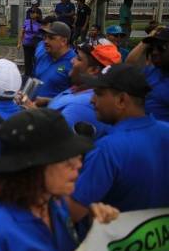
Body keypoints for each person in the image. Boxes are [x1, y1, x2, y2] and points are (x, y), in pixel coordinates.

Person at [0, 108, 118, 251]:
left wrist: (93, 223)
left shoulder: (55, 204)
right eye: (65, 159)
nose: (78, 164)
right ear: (32, 169)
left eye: (76, 156)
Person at [67, 64, 169, 222]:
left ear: (121, 100)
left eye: (99, 94)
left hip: (114, 244)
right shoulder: (165, 131)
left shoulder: (108, 149)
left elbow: (72, 212)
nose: (92, 100)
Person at [45, 42, 121, 140]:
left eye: (79, 59)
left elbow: (48, 142)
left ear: (94, 70)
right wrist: (47, 102)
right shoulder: (82, 87)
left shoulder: (81, 107)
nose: (72, 60)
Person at [125, 27, 169, 122]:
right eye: (151, 48)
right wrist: (149, 38)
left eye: (161, 48)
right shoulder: (152, 71)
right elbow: (130, 65)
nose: (154, 52)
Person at [33, 21, 76, 101]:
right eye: (45, 37)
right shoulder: (42, 55)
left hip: (56, 112)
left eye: (51, 38)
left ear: (63, 41)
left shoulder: (74, 62)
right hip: (34, 110)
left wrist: (48, 101)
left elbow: (77, 97)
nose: (46, 41)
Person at [18, 9, 42, 77]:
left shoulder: (40, 23)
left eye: (34, 12)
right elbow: (22, 32)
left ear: (37, 14)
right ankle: (27, 75)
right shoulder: (26, 21)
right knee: (27, 60)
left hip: (35, 44)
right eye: (31, 13)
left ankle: (34, 74)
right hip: (26, 43)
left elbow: (42, 34)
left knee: (35, 59)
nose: (32, 14)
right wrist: (19, 43)